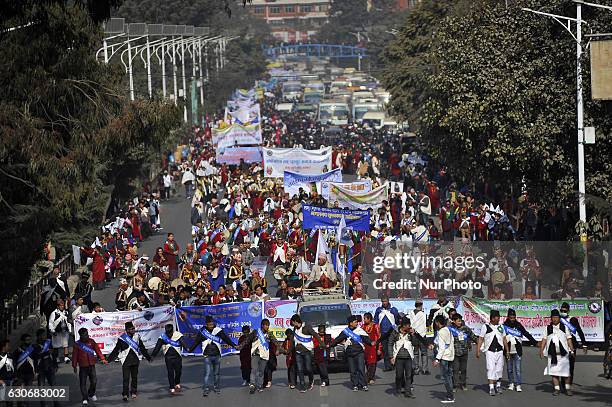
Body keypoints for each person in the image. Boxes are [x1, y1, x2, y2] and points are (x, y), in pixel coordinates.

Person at [187, 315, 237, 396]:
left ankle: (216, 387)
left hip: (217, 355)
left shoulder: (218, 331)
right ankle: (206, 389)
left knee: (216, 373)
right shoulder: (202, 332)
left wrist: (234, 345)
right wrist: (190, 349)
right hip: (207, 355)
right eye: (209, 324)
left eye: (212, 324)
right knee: (207, 374)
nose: (211, 326)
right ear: (206, 324)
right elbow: (196, 342)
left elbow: (226, 339)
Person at [107, 321, 152, 401]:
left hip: (135, 360)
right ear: (127, 330)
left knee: (134, 377)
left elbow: (142, 348)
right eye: (131, 329)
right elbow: (116, 350)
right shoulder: (122, 339)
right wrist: (109, 360)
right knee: (126, 378)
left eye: (133, 328)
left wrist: (148, 357)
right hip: (126, 360)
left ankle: (133, 392)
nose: (133, 330)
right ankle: (125, 394)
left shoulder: (137, 337)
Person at [387, 316, 426, 398]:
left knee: (409, 375)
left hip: (408, 357)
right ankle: (398, 389)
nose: (409, 327)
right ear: (403, 325)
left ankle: (407, 391)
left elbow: (415, 343)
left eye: (409, 325)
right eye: (408, 325)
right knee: (399, 375)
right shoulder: (395, 332)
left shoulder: (410, 333)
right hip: (398, 357)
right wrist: (391, 356)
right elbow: (390, 344)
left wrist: (413, 335)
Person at [330, 315, 372, 392]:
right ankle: (355, 384)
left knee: (361, 369)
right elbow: (337, 339)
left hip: (359, 352)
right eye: (355, 322)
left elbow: (366, 339)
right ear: (350, 323)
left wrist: (371, 343)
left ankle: (364, 384)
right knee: (353, 370)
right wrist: (329, 345)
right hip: (349, 353)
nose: (357, 323)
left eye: (357, 322)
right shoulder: (345, 331)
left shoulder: (360, 330)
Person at [240, 319, 283, 394]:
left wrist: (281, 349)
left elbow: (276, 342)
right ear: (262, 325)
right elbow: (247, 340)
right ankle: (252, 385)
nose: (267, 326)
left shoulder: (269, 334)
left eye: (268, 325)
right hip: (255, 354)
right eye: (266, 325)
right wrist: (240, 346)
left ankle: (259, 385)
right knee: (253, 370)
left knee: (261, 372)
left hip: (264, 355)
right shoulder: (256, 332)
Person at [541, 309, 575, 396]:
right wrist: (541, 351)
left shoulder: (565, 327)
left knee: (566, 373)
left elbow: (569, 339)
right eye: (553, 317)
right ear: (551, 318)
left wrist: (572, 350)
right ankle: (557, 389)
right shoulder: (547, 328)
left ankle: (568, 388)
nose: (555, 319)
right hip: (552, 355)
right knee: (554, 373)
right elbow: (544, 339)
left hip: (563, 355)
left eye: (556, 317)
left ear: (559, 318)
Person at [503, 308, 537, 392]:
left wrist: (535, 342)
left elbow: (526, 333)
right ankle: (511, 383)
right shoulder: (504, 325)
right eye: (511, 316)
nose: (512, 318)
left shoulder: (518, 325)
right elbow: (501, 338)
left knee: (518, 369)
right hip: (508, 350)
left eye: (514, 316)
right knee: (509, 369)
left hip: (517, 350)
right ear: (508, 317)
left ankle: (518, 384)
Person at [476, 309, 509, 396]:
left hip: (500, 351)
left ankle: (498, 386)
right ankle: (491, 388)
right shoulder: (485, 327)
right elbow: (480, 338)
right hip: (490, 351)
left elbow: (504, 339)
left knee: (499, 369)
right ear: (492, 318)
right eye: (497, 317)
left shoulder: (501, 327)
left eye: (499, 317)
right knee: (491, 369)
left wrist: (507, 351)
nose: (498, 319)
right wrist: (478, 350)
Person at [151, 324, 189, 394]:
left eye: (170, 333)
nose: (168, 334)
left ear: (173, 330)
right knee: (170, 372)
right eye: (167, 332)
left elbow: (184, 343)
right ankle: (172, 387)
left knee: (178, 371)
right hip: (168, 357)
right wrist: (153, 356)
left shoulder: (178, 335)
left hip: (177, 357)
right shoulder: (163, 337)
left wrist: (188, 349)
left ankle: (177, 382)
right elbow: (157, 347)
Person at [290, 314, 324, 393]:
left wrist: (321, 343)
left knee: (308, 368)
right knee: (300, 369)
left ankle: (311, 380)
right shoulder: (294, 329)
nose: (292, 324)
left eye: (293, 322)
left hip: (306, 352)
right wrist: (287, 351)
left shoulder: (307, 327)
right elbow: (293, 340)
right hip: (298, 352)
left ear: (296, 321)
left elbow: (315, 335)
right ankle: (302, 385)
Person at [72, 328, 107, 405]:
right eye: (85, 335)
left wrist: (102, 358)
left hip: (91, 365)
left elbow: (98, 350)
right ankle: (85, 398)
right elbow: (74, 356)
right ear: (81, 335)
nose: (87, 336)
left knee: (94, 381)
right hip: (83, 366)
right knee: (83, 383)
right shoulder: (77, 344)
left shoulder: (91, 341)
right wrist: (74, 366)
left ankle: (91, 393)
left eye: (87, 334)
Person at [559, 302, 587, 390]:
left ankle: (569, 384)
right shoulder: (557, 319)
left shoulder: (573, 320)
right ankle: (563, 384)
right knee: (562, 365)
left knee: (571, 366)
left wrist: (584, 344)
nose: (563, 311)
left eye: (564, 310)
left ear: (568, 310)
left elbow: (579, 331)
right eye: (561, 310)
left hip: (572, 345)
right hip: (561, 344)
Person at [448, 313, 478, 392]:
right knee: (455, 370)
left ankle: (463, 384)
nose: (460, 322)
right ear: (454, 321)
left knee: (463, 369)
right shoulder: (450, 329)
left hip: (464, 352)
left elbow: (473, 336)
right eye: (458, 321)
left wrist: (480, 343)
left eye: (460, 321)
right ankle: (454, 385)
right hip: (455, 353)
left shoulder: (465, 328)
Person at [432, 315, 455, 403]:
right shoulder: (449, 329)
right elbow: (450, 342)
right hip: (450, 356)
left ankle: (450, 396)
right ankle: (450, 394)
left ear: (438, 323)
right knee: (449, 376)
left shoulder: (441, 332)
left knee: (445, 377)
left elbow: (442, 347)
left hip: (444, 357)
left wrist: (437, 359)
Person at [374, 296, 400, 371]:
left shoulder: (393, 309)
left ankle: (394, 364)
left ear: (388, 301)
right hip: (383, 333)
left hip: (392, 332)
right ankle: (387, 366)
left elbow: (397, 320)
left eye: (385, 301)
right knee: (385, 350)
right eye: (383, 301)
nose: (384, 303)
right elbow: (376, 321)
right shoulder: (379, 310)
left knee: (393, 349)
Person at [34, 328, 59, 405]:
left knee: (53, 386)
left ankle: (56, 403)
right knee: (41, 388)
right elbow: (35, 358)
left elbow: (53, 354)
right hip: (40, 369)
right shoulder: (34, 346)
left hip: (50, 367)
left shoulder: (48, 343)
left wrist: (55, 365)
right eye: (42, 335)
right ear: (38, 336)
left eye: (44, 335)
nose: (44, 336)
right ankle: (43, 403)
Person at [407, 299, 429, 375]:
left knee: (415, 353)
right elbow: (427, 324)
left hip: (414, 335)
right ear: (421, 305)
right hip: (422, 335)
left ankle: (416, 368)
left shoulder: (410, 313)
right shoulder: (423, 314)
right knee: (424, 353)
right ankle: (424, 369)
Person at [48, 299, 71, 364]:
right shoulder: (54, 313)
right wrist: (52, 330)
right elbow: (51, 323)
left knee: (65, 344)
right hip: (57, 331)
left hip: (64, 331)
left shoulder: (66, 312)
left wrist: (69, 329)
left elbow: (68, 321)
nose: (62, 306)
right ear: (57, 306)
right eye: (60, 305)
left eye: (63, 305)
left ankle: (66, 357)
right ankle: (57, 357)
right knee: (56, 345)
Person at [361, 312, 382, 384]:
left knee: (372, 363)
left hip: (373, 347)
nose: (364, 320)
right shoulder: (363, 327)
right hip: (365, 347)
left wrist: (379, 348)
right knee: (367, 362)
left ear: (369, 319)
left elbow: (379, 337)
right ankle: (369, 377)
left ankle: (370, 377)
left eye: (365, 318)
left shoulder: (375, 326)